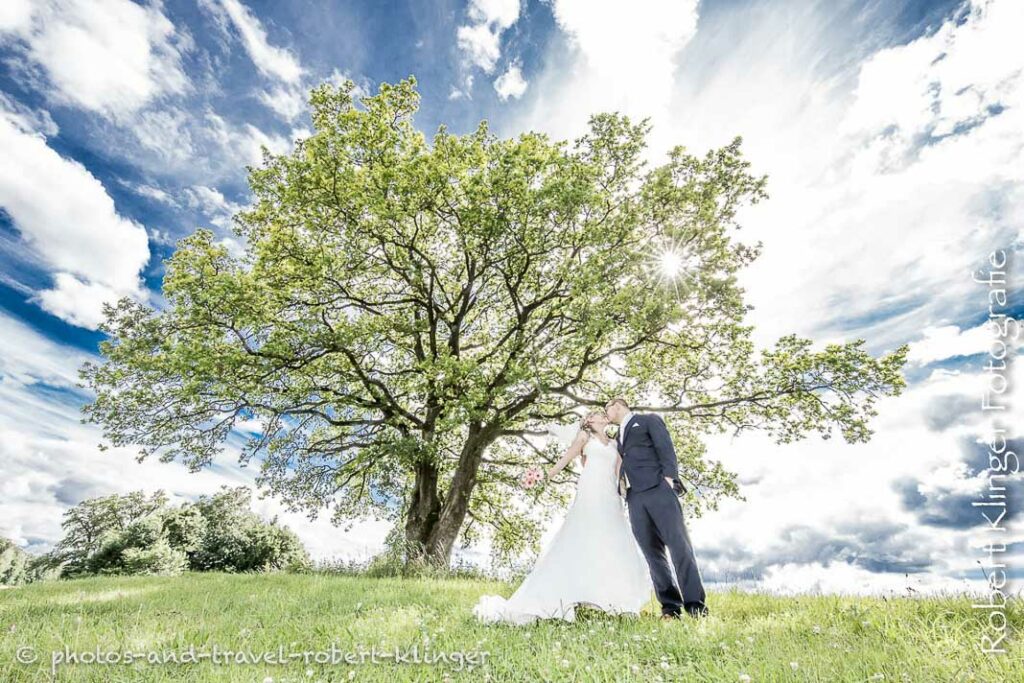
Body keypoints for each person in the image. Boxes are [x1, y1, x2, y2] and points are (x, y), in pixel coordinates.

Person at [472, 411, 652, 624]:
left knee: (611, 539)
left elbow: (619, 472)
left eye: (603, 414)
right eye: (596, 414)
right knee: (582, 536)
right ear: (588, 421)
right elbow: (565, 459)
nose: (602, 415)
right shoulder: (585, 438)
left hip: (610, 496)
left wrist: (624, 491)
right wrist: (543, 477)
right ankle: (566, 597)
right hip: (590, 491)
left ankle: (612, 600)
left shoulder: (614, 444)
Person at [605, 397, 708, 618]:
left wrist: (670, 479)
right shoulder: (618, 437)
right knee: (652, 554)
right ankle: (670, 608)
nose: (606, 414)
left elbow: (665, 447)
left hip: (658, 489)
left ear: (618, 405)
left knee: (679, 547)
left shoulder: (648, 420)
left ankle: (696, 606)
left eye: (607, 409)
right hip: (635, 498)